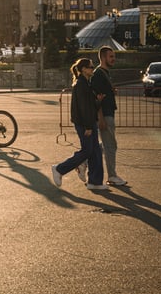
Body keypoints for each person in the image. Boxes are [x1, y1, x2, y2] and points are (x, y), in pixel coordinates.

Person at [50, 58, 107, 190]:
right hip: (85, 123)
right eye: (91, 67)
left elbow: (90, 105)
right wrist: (88, 126)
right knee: (88, 150)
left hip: (89, 121)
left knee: (95, 151)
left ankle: (95, 182)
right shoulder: (81, 84)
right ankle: (59, 169)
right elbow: (84, 108)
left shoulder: (86, 83)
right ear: (83, 69)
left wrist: (98, 101)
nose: (93, 69)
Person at [91, 46, 127, 186]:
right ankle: (112, 176)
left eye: (114, 56)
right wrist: (100, 118)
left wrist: (111, 92)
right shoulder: (99, 74)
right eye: (111, 56)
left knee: (106, 144)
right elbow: (96, 96)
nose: (114, 59)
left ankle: (82, 161)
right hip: (105, 115)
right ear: (103, 58)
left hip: (108, 113)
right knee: (111, 145)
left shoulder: (104, 73)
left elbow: (103, 93)